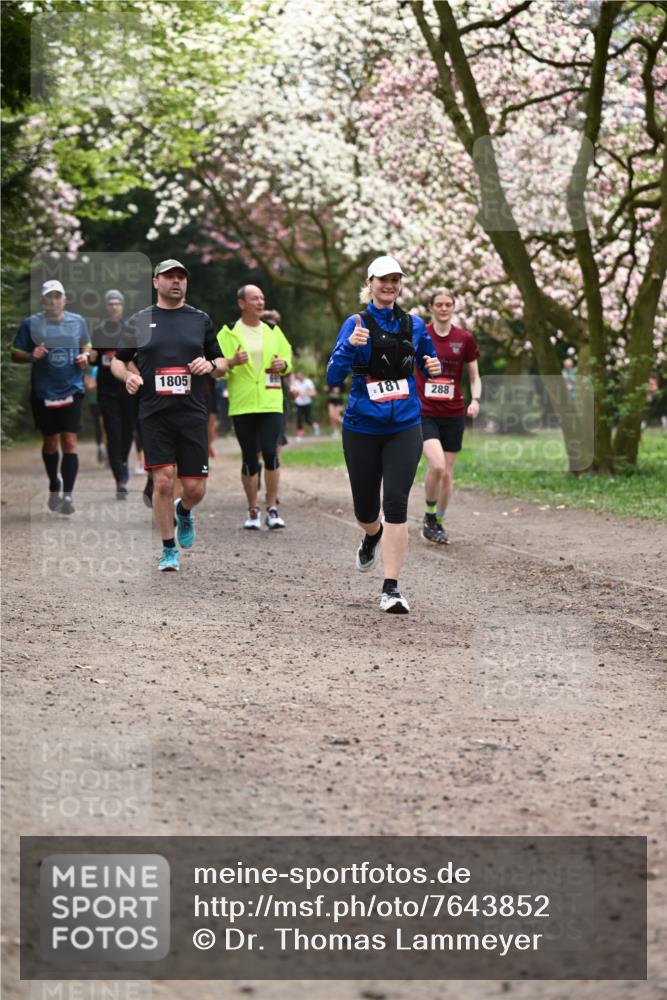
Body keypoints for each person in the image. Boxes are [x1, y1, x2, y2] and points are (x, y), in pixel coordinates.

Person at [327, 255, 441, 614]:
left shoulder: (414, 324)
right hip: (361, 427)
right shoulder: (355, 323)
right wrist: (349, 347)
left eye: (395, 280)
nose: (389, 286)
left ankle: (391, 588)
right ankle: (370, 534)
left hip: (405, 425)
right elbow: (332, 377)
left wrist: (433, 366)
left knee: (396, 504)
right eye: (383, 280)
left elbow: (428, 360)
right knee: (366, 510)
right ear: (370, 282)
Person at [111, 259, 227, 571]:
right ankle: (167, 549)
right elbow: (117, 362)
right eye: (169, 277)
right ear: (155, 282)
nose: (175, 282)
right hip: (154, 414)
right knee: (163, 481)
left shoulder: (199, 319)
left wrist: (211, 366)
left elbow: (222, 362)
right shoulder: (139, 320)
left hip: (191, 414)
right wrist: (129, 377)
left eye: (180, 277)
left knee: (194, 489)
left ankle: (185, 511)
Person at [12, 279, 91, 514]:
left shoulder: (78, 322)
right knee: (50, 441)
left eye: (58, 296)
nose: (54, 301)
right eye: (50, 297)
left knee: (69, 441)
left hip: (72, 389)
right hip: (43, 391)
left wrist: (85, 357)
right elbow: (14, 353)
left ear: (64, 300)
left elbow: (86, 344)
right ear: (43, 301)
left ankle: (67, 495)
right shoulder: (31, 324)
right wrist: (30, 355)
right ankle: (54, 484)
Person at [217, 285, 293, 530]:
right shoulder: (228, 332)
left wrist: (284, 365)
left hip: (271, 401)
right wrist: (231, 361)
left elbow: (287, 359)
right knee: (250, 457)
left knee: (270, 451)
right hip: (243, 404)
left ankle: (272, 507)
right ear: (242, 303)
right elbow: (216, 369)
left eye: (262, 297)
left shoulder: (273, 330)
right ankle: (252, 509)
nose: (260, 302)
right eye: (254, 298)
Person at [415, 288, 481, 544]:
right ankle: (429, 516)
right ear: (431, 307)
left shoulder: (464, 338)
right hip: (425, 412)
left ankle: (438, 520)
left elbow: (475, 377)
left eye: (448, 304)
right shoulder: (420, 335)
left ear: (454, 307)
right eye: (439, 304)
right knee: (437, 465)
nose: (444, 308)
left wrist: (475, 400)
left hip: (453, 413)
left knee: (447, 473)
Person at [91, 289, 139, 499]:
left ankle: (123, 463)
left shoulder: (131, 329)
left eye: (117, 303)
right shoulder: (99, 331)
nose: (114, 307)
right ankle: (120, 478)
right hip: (106, 389)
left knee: (128, 430)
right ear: (106, 307)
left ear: (122, 306)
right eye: (110, 304)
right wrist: (90, 356)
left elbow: (138, 356)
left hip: (128, 387)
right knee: (113, 430)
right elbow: (94, 358)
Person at [292, 370, 319, 438]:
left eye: (300, 375)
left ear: (303, 375)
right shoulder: (295, 383)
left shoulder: (308, 382)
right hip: (299, 403)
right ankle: (300, 434)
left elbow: (314, 393)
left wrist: (305, 394)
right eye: (298, 375)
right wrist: (296, 394)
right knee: (299, 419)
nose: (299, 377)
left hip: (307, 403)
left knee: (308, 419)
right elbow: (293, 394)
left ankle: (315, 426)